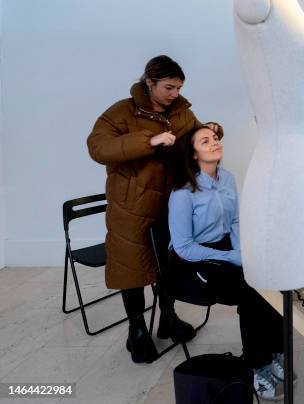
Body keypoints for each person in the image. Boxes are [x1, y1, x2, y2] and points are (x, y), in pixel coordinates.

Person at [87, 55, 203, 364]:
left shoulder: (181, 112)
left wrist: (209, 134)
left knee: (169, 264)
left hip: (171, 203)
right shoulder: (121, 112)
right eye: (168, 87)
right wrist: (148, 140)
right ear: (149, 82)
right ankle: (136, 331)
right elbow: (98, 148)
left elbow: (197, 137)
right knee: (132, 268)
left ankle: (167, 318)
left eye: (178, 88)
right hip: (131, 205)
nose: (174, 94)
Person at [168, 124, 287, 401]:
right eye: (205, 141)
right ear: (193, 154)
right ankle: (256, 367)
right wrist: (230, 257)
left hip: (224, 248)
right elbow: (184, 247)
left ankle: (276, 352)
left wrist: (241, 251)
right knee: (251, 292)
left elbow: (235, 221)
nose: (214, 143)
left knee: (269, 278)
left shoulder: (227, 178)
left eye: (215, 139)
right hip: (191, 263)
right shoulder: (183, 193)